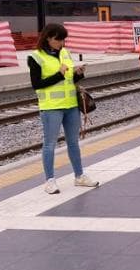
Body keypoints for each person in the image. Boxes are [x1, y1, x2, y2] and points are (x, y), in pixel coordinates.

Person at [29, 23, 100, 194]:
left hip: (71, 106)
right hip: (51, 108)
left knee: (73, 142)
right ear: (48, 37)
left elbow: (69, 81)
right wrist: (58, 74)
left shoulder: (65, 53)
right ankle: (50, 180)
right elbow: (37, 85)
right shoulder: (35, 57)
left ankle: (79, 176)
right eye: (58, 39)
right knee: (50, 144)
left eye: (63, 40)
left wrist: (78, 74)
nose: (61, 43)